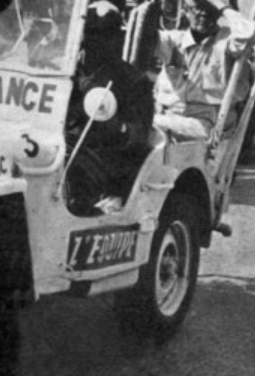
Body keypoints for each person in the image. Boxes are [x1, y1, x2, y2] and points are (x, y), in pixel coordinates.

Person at [66, 0, 154, 215]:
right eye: (93, 32)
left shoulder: (133, 80)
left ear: (117, 38)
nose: (98, 40)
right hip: (60, 146)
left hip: (104, 160)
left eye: (107, 33)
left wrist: (116, 127)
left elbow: (138, 136)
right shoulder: (67, 72)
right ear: (83, 34)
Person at [152, 0, 255, 141]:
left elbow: (249, 33)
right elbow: (143, 39)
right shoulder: (174, 39)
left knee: (149, 124)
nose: (203, 14)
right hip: (170, 119)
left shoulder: (228, 41)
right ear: (185, 10)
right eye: (198, 8)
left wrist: (222, 6)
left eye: (210, 9)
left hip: (210, 125)